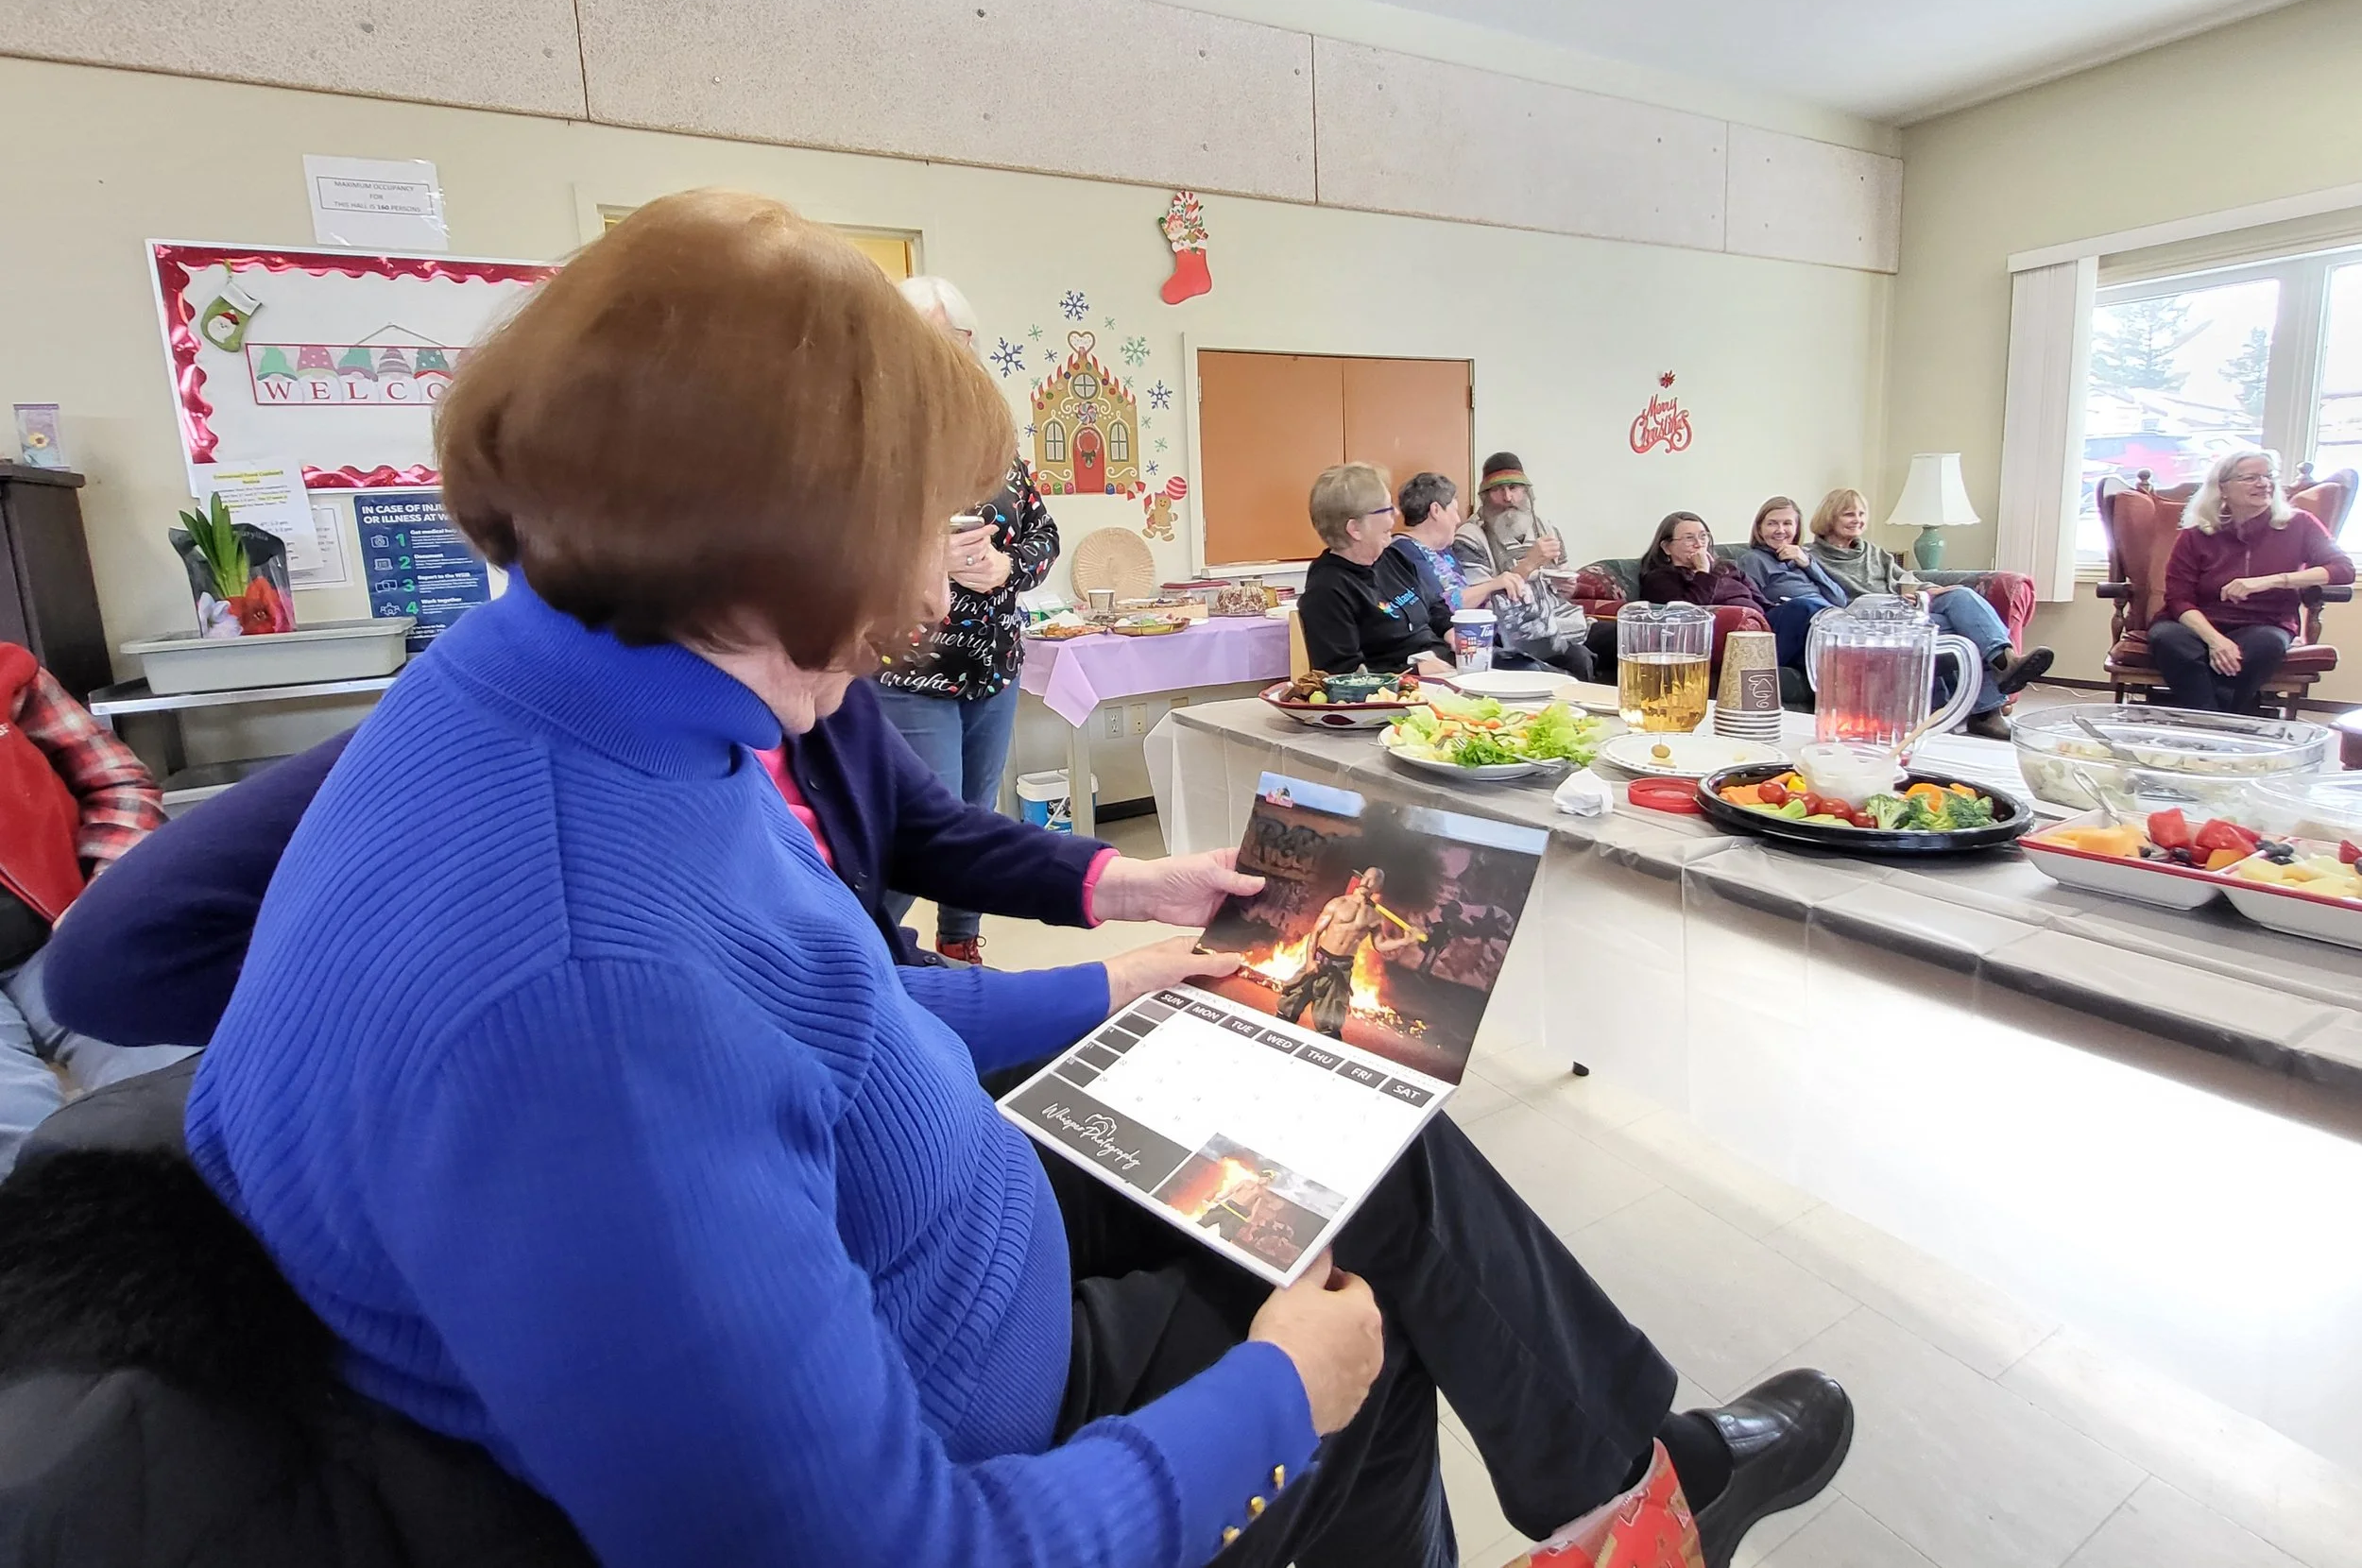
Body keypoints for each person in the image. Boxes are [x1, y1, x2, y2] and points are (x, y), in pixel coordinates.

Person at [180, 193, 1847, 1568]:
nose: (955, 574)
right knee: (1363, 1338)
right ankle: (1578, 1485)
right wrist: (1280, 1395)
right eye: (942, 523)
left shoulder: (561, 709)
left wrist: (1100, 967)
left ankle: (1644, 1496)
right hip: (985, 1401)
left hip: (916, 1222)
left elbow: (808, 1004)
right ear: (799, 540)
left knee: (1353, 1111)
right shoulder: (586, 1004)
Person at [43, 702, 1261, 1077]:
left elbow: (923, 833)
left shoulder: (806, 687)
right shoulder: (552, 757)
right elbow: (117, 957)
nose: (941, 601)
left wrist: (1135, 887)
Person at [877, 275, 1058, 964]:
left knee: (976, 820)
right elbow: (836, 555)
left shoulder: (995, 450)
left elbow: (1043, 538)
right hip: (907, 672)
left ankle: (961, 945)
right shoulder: (873, 446)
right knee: (925, 824)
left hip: (994, 666)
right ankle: (861, 947)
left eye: (949, 343)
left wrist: (1008, 570)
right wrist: (924, 557)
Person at [0, 640, 186, 1173]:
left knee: (178, 1076)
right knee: (18, 1138)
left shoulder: (11, 674)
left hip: (56, 932)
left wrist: (101, 896)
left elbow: (118, 783)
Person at [1807, 487, 2053, 739]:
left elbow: (1904, 578)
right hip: (1872, 624)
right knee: (1966, 628)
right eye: (1849, 514)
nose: (1858, 520)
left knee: (1961, 596)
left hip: (1905, 610)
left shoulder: (1873, 553)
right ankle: (1986, 711)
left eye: (1861, 514)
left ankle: (2005, 662)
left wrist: (1929, 589)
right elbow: (1830, 598)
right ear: (1829, 517)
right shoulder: (1811, 557)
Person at [2150, 447, 2355, 715]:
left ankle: (2203, 722)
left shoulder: (2299, 524)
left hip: (2265, 624)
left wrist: (2270, 581)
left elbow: (2343, 569)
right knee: (2165, 637)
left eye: (2268, 476)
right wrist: (2216, 641)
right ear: (2222, 488)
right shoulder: (2195, 535)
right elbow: (2179, 599)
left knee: (2265, 645)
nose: (2264, 483)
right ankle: (2226, 722)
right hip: (2199, 625)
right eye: (2250, 478)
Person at [1393, 470, 1594, 680]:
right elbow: (1441, 607)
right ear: (1436, 510)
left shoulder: (1442, 550)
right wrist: (1494, 584)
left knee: (1577, 658)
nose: (1458, 518)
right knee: (1544, 670)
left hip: (1492, 634)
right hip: (1461, 644)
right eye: (1453, 509)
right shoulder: (1405, 554)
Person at [1299, 462, 1456, 676]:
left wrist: (1451, 630)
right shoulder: (1327, 590)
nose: (1397, 513)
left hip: (1448, 668)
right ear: (1355, 528)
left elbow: (1435, 605)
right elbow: (1344, 674)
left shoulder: (1394, 556)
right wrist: (1412, 671)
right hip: (1402, 693)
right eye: (1386, 509)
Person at [1451, 452, 1596, 674]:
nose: (1508, 497)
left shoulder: (1544, 527)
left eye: (1514, 488)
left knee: (1622, 639)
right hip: (1520, 632)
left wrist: (1568, 587)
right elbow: (1483, 602)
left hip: (1567, 622)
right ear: (1485, 495)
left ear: (1526, 492)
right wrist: (1529, 563)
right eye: (1498, 490)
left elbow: (1565, 584)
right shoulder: (1470, 537)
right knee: (1579, 659)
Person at [1274, 868, 1418, 1041]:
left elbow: (1380, 945)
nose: (1367, 882)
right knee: (1289, 1006)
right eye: (1365, 877)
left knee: (1330, 1024)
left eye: (1373, 880)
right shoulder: (1338, 903)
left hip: (1341, 969)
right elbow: (1316, 932)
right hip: (1319, 960)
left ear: (1378, 887)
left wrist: (1405, 941)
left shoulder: (1374, 916)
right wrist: (1310, 960)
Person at [1731, 497, 1847, 671]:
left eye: (1787, 523)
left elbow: (1839, 600)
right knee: (1803, 605)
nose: (1780, 530)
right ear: (1760, 529)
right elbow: (1753, 604)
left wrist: (1807, 563)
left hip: (1821, 624)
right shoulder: (1753, 560)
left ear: (1797, 528)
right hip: (1787, 622)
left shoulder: (1804, 558)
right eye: (1772, 524)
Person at [1636, 512, 1769, 612]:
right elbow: (1687, 613)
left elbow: (1764, 604)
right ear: (1667, 547)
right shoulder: (1660, 578)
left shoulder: (1727, 568)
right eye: (1689, 538)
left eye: (1703, 536)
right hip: (1724, 630)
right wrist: (1703, 571)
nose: (1699, 544)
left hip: (1760, 623)